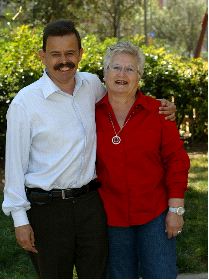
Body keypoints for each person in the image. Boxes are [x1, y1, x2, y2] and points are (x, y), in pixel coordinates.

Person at [2, 20, 176, 279]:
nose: (64, 61)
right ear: (42, 57)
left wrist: (161, 107)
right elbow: (14, 166)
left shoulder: (91, 86)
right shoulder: (25, 103)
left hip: (90, 206)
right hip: (46, 209)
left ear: (81, 54)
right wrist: (20, 220)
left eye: (70, 53)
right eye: (55, 54)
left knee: (97, 275)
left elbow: (124, 95)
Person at [95, 41, 190, 279]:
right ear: (104, 74)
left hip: (154, 214)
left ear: (139, 77)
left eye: (130, 69)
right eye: (116, 67)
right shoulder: (89, 112)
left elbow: (177, 161)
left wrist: (176, 209)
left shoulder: (158, 112)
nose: (122, 74)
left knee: (161, 274)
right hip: (110, 214)